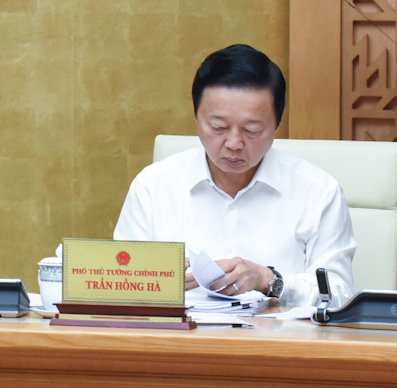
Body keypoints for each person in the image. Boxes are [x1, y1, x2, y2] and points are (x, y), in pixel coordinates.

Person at [113, 44, 354, 307]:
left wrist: (269, 280)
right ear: (196, 115)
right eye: (219, 127)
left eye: (252, 130)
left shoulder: (318, 192)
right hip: (179, 342)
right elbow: (122, 285)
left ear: (276, 124)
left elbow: (338, 295)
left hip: (277, 344)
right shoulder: (153, 186)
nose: (234, 143)